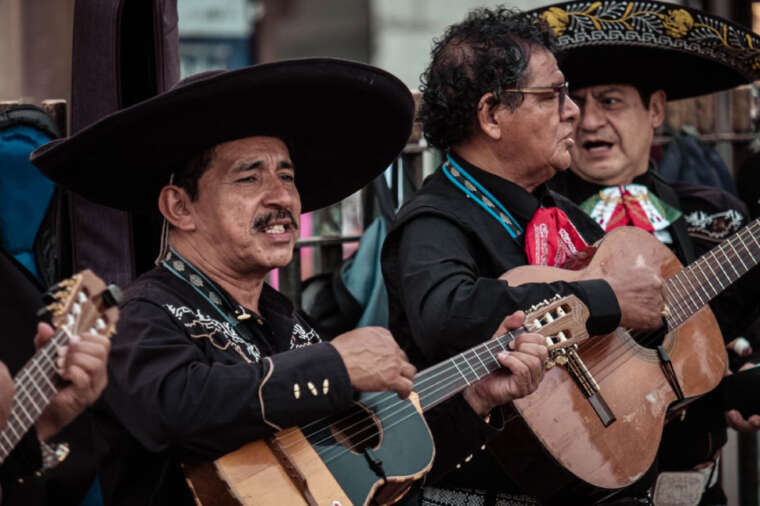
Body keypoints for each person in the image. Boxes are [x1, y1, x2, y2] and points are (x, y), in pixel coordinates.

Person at [31, 58, 549, 505]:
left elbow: (367, 464)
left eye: (287, 175)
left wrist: (475, 399)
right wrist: (336, 365)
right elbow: (173, 407)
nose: (280, 196)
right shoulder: (142, 315)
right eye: (249, 177)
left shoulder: (283, 318)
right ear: (180, 207)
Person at [381, 7, 667, 505]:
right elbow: (450, 314)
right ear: (492, 115)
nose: (573, 110)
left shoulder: (565, 215)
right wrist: (601, 299)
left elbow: (626, 332)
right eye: (553, 94)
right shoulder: (434, 222)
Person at [523, 0, 760, 503]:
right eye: (575, 102)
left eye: (610, 102)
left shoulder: (714, 217)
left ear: (654, 109)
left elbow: (747, 328)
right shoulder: (536, 221)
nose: (588, 122)